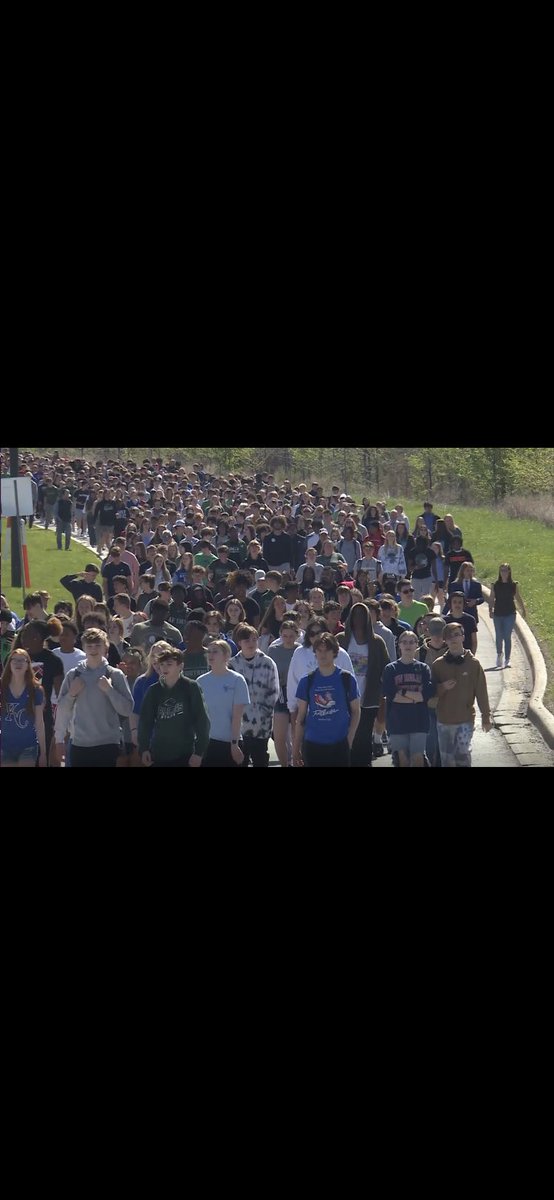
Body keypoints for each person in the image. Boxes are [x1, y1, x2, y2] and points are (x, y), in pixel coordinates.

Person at [54, 628, 134, 768]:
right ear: (83, 648)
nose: (93, 649)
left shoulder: (115, 675)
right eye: (89, 646)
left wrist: (110, 690)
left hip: (109, 743)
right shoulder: (74, 675)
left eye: (98, 645)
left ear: (105, 647)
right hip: (80, 743)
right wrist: (59, 739)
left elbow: (127, 709)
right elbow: (62, 710)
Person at [293, 632, 361, 768]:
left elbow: (356, 711)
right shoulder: (307, 681)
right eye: (319, 650)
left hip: (340, 743)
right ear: (315, 652)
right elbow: (300, 718)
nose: (323, 654)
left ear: (335, 652)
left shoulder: (347, 679)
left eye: (327, 650)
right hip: (313, 743)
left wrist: (350, 738)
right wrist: (295, 750)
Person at [138, 647, 211, 768]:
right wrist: (144, 748)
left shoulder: (191, 687)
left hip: (185, 754)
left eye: (169, 664)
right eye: (162, 664)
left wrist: (199, 752)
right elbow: (145, 722)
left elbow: (202, 721)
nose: (164, 668)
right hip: (159, 754)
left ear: (180, 666)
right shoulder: (154, 690)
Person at [431, 623, 492, 766]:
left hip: (465, 720)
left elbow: (481, 691)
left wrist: (486, 716)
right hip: (444, 720)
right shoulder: (438, 665)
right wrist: (442, 687)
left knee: (463, 757)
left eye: (457, 634)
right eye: (449, 636)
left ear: (463, 637)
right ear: (444, 640)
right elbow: (431, 692)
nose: (453, 639)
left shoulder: (474, 664)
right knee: (447, 760)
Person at [337, 604, 389, 767]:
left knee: (363, 738)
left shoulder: (377, 642)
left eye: (362, 615)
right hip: (344, 699)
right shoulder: (340, 639)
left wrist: (383, 693)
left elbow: (385, 668)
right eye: (355, 615)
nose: (358, 618)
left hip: (369, 698)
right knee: (347, 737)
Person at [381, 629, 435, 767]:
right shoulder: (391, 669)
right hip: (397, 721)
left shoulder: (423, 668)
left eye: (411, 642)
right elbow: (391, 695)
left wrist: (403, 692)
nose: (408, 645)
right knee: (402, 760)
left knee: (417, 759)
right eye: (404, 642)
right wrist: (414, 697)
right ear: (399, 645)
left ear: (417, 644)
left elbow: (425, 695)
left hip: (419, 720)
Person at [230, 624, 280, 767]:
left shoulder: (268, 663)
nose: (251, 643)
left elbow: (274, 692)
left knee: (260, 759)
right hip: (240, 725)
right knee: (240, 760)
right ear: (239, 642)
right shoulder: (232, 665)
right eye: (246, 640)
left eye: (254, 639)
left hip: (262, 724)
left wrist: (264, 712)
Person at [197, 640, 250, 767]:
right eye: (209, 652)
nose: (211, 655)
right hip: (206, 744)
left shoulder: (237, 680)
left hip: (230, 743)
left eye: (215, 651)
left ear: (226, 656)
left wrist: (234, 744)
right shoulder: (200, 681)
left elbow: (237, 717)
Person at [1, 648, 47, 767]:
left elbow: (39, 723)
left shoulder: (35, 689)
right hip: (5, 746)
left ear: (28, 665)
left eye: (22, 660)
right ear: (9, 664)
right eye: (14, 660)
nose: (18, 663)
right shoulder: (2, 688)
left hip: (28, 745)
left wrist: (43, 753)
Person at [418, 615, 448, 767]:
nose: (437, 637)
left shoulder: (452, 652)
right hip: (426, 705)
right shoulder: (420, 653)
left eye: (440, 633)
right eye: (434, 632)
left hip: (447, 706)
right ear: (428, 631)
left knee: (444, 745)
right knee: (430, 742)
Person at [488, 563, 526, 668]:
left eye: (505, 570)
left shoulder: (513, 585)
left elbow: (518, 597)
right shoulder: (495, 585)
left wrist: (523, 608)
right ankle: (499, 654)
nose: (503, 573)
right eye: (501, 571)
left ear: (509, 572)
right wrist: (490, 609)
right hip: (498, 613)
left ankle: (507, 659)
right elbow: (492, 598)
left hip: (510, 613)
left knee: (507, 636)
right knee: (499, 635)